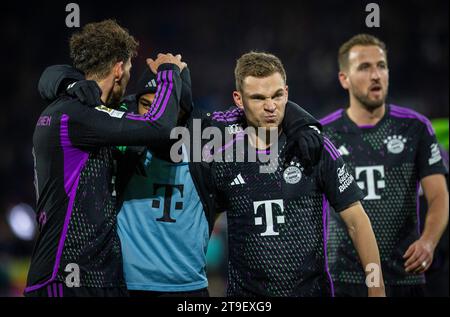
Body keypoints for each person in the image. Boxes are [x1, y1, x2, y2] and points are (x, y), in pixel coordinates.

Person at [36, 57, 324, 297]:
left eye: (168, 106)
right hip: (125, 286)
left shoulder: (207, 137)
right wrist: (68, 82)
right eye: (147, 105)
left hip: (190, 289)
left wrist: (303, 122)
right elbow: (49, 78)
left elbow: (261, 107)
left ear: (184, 110)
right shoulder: (122, 132)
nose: (157, 116)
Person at [24, 19, 186, 297]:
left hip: (98, 277)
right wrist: (169, 73)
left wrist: (65, 80)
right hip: (66, 277)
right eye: (130, 69)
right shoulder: (77, 115)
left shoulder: (79, 110)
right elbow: (159, 126)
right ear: (119, 68)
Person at [209, 51, 385, 297]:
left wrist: (377, 287)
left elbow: (357, 221)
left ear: (287, 93)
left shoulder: (315, 148)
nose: (271, 106)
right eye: (258, 98)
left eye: (277, 95)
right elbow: (205, 226)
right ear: (239, 99)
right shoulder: (223, 157)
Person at [319, 34, 449, 297]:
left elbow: (438, 195)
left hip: (405, 274)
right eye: (364, 67)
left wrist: (428, 242)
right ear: (344, 79)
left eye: (381, 65)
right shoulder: (324, 134)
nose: (376, 75)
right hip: (344, 277)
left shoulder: (415, 127)